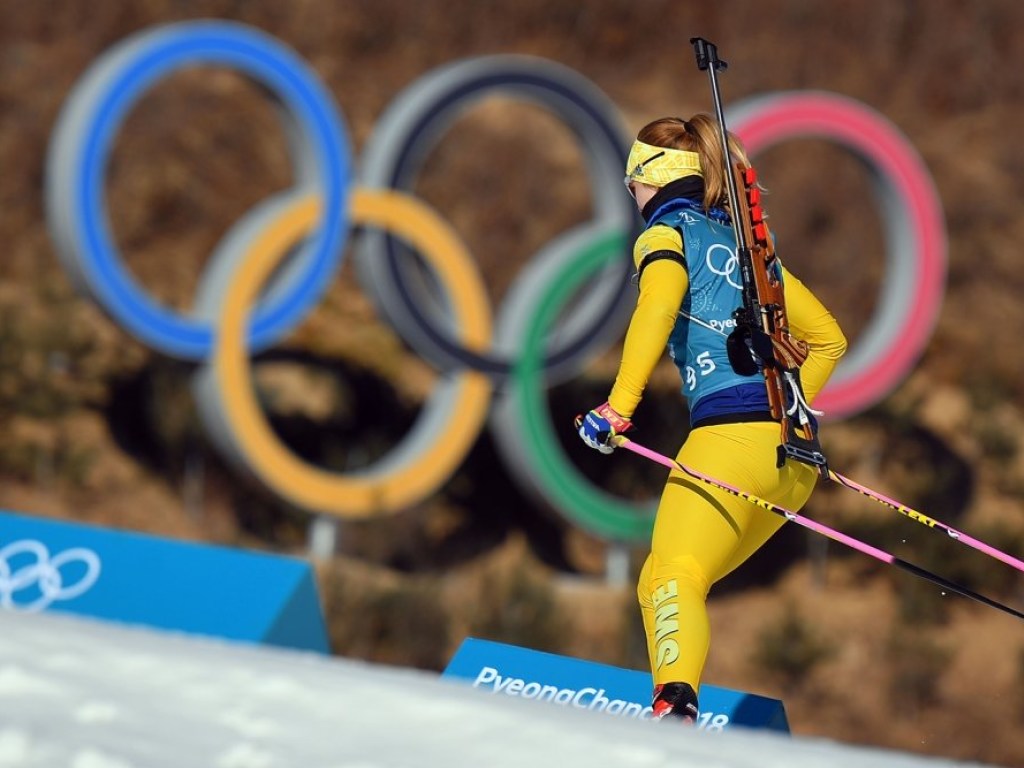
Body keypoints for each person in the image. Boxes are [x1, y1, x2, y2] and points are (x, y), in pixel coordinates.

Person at [576, 114, 847, 722]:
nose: (631, 195)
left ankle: (674, 712)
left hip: (727, 446)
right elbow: (830, 341)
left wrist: (617, 409)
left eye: (630, 183)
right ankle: (674, 701)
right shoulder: (749, 247)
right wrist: (789, 411)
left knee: (671, 576)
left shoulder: (665, 234)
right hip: (791, 465)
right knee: (666, 580)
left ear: (650, 177)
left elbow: (656, 309)